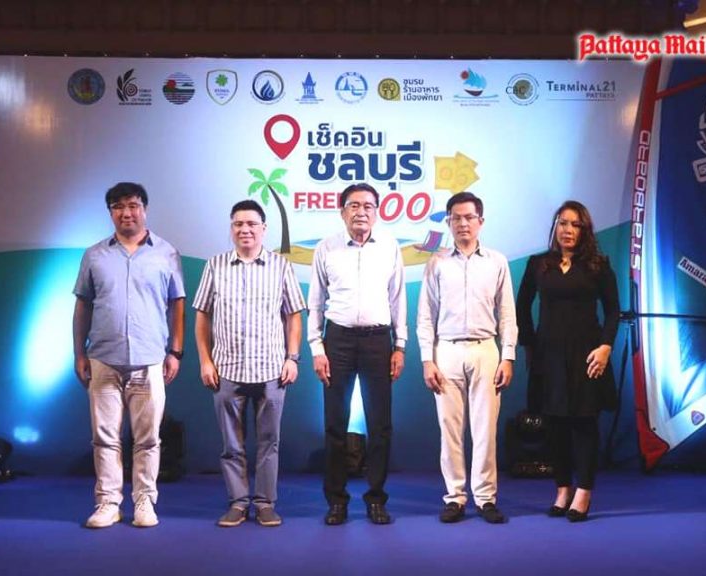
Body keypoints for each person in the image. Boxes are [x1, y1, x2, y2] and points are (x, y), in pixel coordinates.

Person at [73, 182, 185, 529]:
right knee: (104, 438)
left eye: (133, 205)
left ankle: (144, 502)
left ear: (144, 209)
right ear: (110, 212)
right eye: (118, 207)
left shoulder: (166, 253)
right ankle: (108, 503)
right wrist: (79, 353)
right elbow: (82, 305)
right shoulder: (94, 255)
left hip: (150, 359)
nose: (126, 213)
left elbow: (176, 303)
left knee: (148, 439)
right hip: (103, 358)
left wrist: (175, 351)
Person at [193, 199, 306, 528]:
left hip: (272, 371)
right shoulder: (215, 266)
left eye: (252, 224)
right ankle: (238, 502)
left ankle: (265, 503)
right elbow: (202, 316)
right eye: (238, 224)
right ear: (231, 229)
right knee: (231, 445)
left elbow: (293, 316)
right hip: (226, 370)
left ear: (263, 229)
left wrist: (292, 358)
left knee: (269, 443)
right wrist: (205, 361)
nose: (245, 229)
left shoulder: (280, 266)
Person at [308, 182, 407, 525]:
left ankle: (376, 498)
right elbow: (316, 303)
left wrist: (399, 345)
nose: (361, 212)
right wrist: (317, 348)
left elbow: (398, 299)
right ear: (342, 211)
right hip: (337, 340)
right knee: (335, 424)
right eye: (354, 205)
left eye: (368, 206)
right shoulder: (326, 248)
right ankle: (337, 501)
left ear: (377, 213)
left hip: (379, 340)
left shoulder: (390, 247)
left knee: (380, 425)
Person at [417, 191, 518, 524]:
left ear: (480, 221)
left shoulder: (497, 261)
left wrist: (508, 356)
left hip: (486, 349)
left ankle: (486, 498)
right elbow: (426, 315)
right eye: (456, 218)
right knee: (450, 430)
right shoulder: (437, 263)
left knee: (486, 429)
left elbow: (507, 313)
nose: (463, 223)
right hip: (446, 350)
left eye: (469, 217)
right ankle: (455, 497)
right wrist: (427, 359)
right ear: (448, 222)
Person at [516, 200, 619, 522]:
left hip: (588, 356)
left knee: (584, 424)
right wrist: (529, 345)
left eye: (575, 224)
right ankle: (563, 489)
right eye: (563, 223)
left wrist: (605, 347)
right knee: (554, 424)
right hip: (548, 356)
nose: (568, 230)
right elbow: (522, 307)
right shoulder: (538, 264)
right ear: (555, 227)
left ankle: (584, 491)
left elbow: (613, 310)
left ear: (584, 230)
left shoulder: (598, 265)